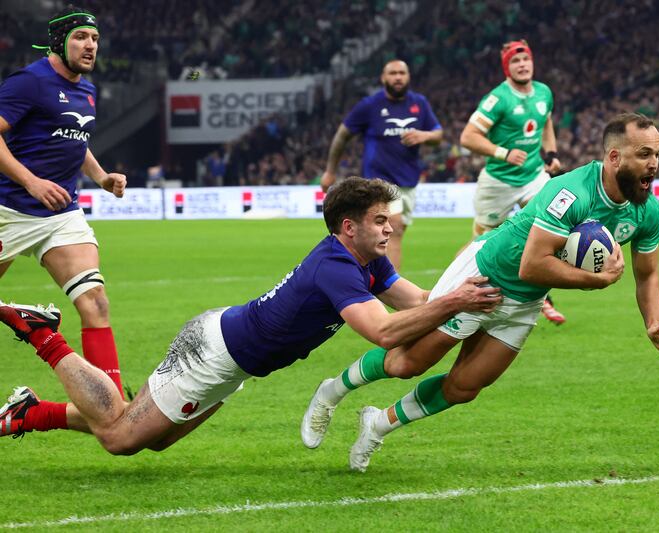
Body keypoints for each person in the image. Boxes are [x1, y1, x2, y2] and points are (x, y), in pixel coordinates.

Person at [301, 113, 659, 472]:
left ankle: (377, 425)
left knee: (464, 387)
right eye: (644, 154)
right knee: (406, 364)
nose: (654, 163)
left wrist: (653, 324)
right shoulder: (570, 193)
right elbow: (531, 264)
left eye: (657, 154)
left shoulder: (647, 212)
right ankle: (331, 391)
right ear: (615, 157)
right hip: (485, 276)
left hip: (526, 301)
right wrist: (596, 280)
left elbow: (647, 275)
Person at [0, 177, 501, 450]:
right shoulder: (337, 267)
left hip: (233, 359)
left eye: (390, 221)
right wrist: (455, 303)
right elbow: (386, 332)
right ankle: (44, 336)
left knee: (146, 436)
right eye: (379, 221)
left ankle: (29, 413)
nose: (390, 230)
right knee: (119, 436)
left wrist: (479, 282)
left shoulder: (365, 264)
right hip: (213, 353)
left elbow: (419, 302)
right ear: (349, 227)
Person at [0, 4, 127, 422]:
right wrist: (30, 182)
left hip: (61, 215)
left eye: (94, 39)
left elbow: (75, 140)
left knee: (96, 303)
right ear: (59, 41)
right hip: (9, 209)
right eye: (81, 37)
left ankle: (110, 401)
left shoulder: (86, 91)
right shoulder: (30, 81)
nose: (90, 45)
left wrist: (102, 177)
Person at [460, 39, 565, 324]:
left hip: (533, 177)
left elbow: (546, 123)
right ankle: (454, 288)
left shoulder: (544, 92)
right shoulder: (497, 99)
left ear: (532, 62)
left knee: (549, 227)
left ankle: (542, 297)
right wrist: (502, 152)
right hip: (498, 182)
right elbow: (467, 137)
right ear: (507, 68)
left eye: (525, 60)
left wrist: (551, 152)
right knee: (480, 242)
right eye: (515, 61)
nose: (522, 65)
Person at [320, 59, 443, 271]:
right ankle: (390, 287)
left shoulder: (419, 103)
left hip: (408, 181)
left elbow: (438, 135)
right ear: (383, 78)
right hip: (379, 182)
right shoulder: (370, 105)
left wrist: (424, 136)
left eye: (402, 73)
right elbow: (342, 136)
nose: (398, 77)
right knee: (393, 227)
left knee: (394, 230)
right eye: (393, 73)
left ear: (408, 77)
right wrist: (330, 170)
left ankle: (367, 278)